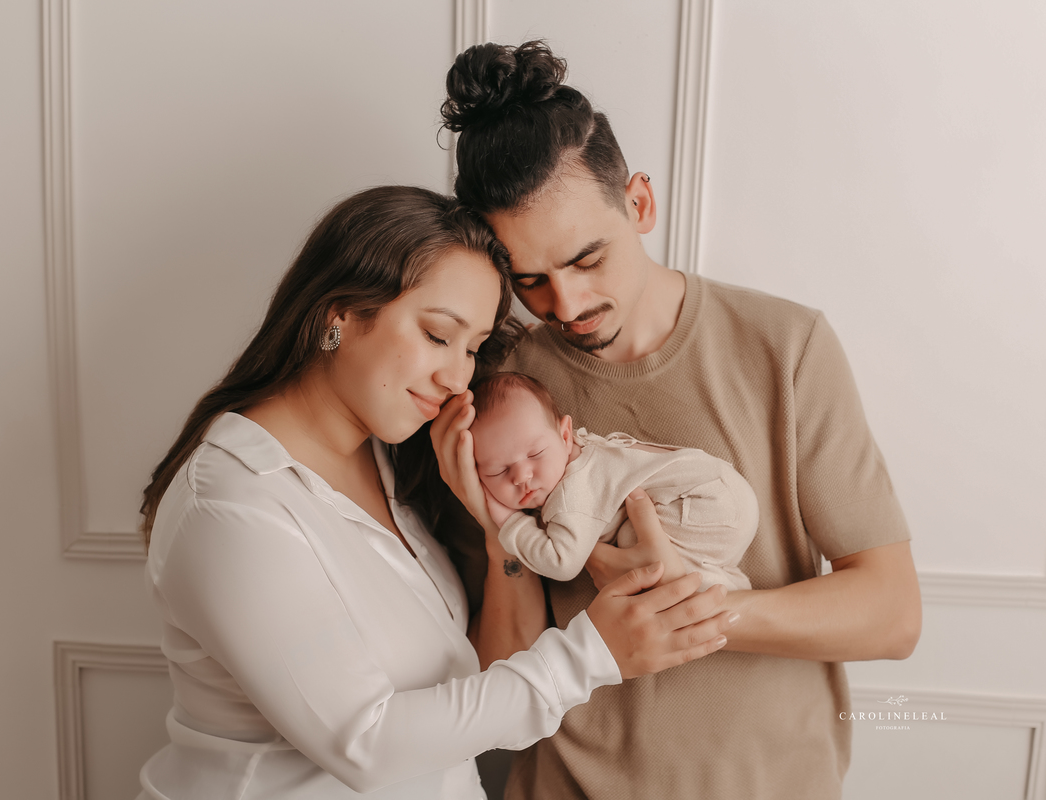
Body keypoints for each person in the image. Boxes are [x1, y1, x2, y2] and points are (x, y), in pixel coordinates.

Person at [133, 186, 738, 800]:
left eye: (472, 349)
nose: (457, 377)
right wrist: (594, 655)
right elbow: (365, 744)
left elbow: (479, 682)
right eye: (437, 335)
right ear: (338, 316)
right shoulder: (230, 506)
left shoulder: (385, 459)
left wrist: (494, 517)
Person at [434, 42, 923, 798]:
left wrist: (690, 604)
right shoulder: (503, 392)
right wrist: (493, 522)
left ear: (639, 204)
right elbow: (503, 683)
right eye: (529, 281)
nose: (566, 304)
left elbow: (892, 616)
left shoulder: (785, 346)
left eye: (587, 259)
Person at [468, 371, 756, 590]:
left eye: (535, 454)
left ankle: (722, 591)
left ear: (565, 436)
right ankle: (727, 579)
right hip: (725, 490)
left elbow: (562, 563)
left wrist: (509, 521)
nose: (521, 476)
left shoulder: (570, 494)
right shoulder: (581, 452)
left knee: (635, 540)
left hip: (703, 501)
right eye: (497, 471)